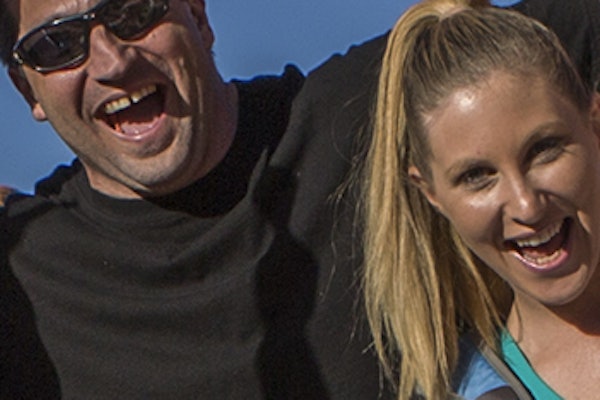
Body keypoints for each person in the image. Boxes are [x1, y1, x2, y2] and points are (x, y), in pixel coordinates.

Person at [0, 0, 599, 398]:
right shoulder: (21, 272)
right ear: (26, 88)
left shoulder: (363, 113)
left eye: (134, 11)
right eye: (56, 45)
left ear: (198, 15)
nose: (112, 60)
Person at [361, 0, 600, 399]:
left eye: (543, 150)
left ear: (595, 123)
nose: (527, 206)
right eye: (477, 177)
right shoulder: (464, 391)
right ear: (431, 193)